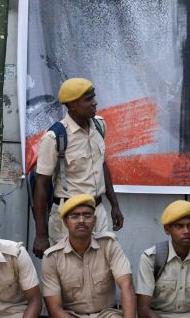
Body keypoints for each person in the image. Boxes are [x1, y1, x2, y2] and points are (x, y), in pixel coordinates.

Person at [32, 77, 125, 257]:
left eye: (93, 97)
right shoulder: (55, 138)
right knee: (69, 274)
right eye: (88, 99)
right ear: (72, 105)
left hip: (97, 213)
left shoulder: (99, 125)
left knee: (100, 270)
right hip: (69, 217)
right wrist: (40, 235)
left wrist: (114, 205)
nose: (94, 102)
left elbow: (102, 165)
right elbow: (41, 187)